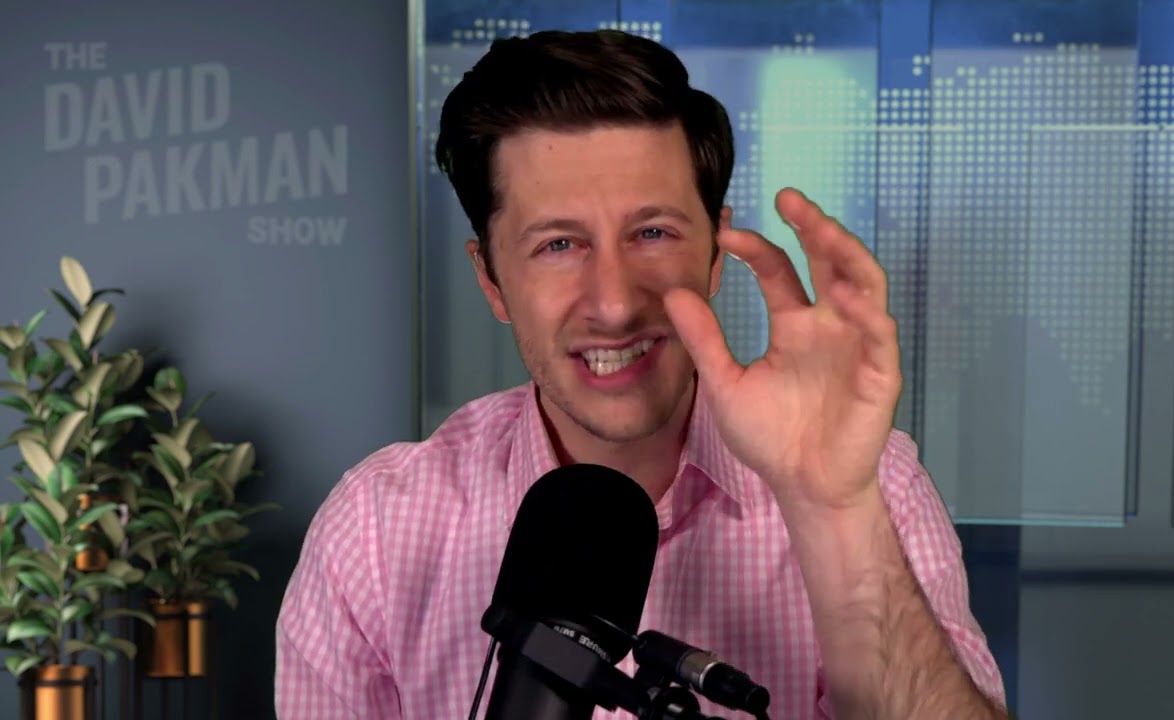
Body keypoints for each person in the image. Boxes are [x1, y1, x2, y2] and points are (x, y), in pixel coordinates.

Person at [275, 29, 1007, 720]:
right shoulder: (374, 533)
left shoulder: (871, 489)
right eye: (559, 244)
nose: (616, 303)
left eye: (652, 233)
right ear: (492, 280)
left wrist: (834, 512)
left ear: (716, 256)